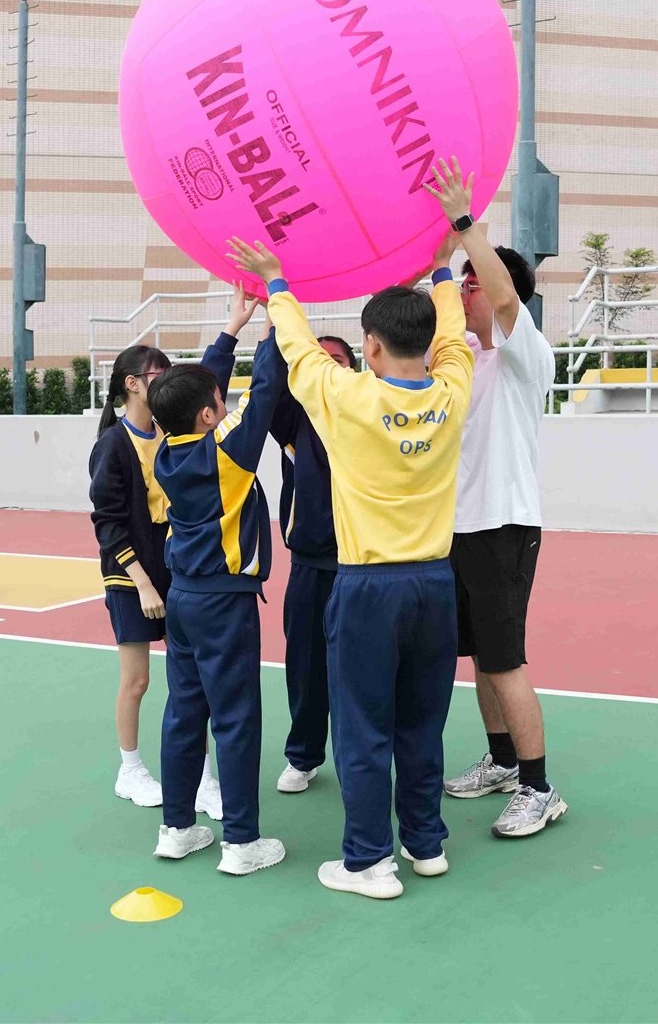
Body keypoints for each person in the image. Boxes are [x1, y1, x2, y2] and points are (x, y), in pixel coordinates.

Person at [226, 156, 476, 901]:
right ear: (427, 345)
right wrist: (442, 264)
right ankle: (424, 844)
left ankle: (369, 861)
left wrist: (276, 281)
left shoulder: (346, 400)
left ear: (368, 347)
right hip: (436, 584)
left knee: (363, 727)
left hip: (367, 587)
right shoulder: (453, 389)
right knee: (421, 723)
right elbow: (453, 335)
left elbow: (298, 350)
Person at [145, 316, 289, 876]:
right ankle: (242, 842)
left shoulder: (168, 449)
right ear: (208, 415)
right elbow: (266, 391)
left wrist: (231, 330)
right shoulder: (227, 454)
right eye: (217, 402)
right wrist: (274, 326)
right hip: (223, 603)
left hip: (183, 597)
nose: (224, 404)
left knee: (184, 714)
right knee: (235, 719)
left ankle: (176, 829)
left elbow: (195, 394)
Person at [89, 321, 247, 820]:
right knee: (137, 681)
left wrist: (234, 327)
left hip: (176, 572)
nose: (167, 378)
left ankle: (202, 779)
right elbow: (107, 522)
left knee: (191, 685)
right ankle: (130, 769)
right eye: (158, 373)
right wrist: (141, 582)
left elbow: (204, 385)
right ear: (133, 383)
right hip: (131, 578)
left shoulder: (171, 430)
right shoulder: (113, 444)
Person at [440, 218, 566, 837]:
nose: (463, 291)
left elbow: (508, 299)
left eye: (472, 284)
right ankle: (502, 761)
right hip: (457, 529)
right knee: (480, 658)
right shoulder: (459, 356)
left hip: (504, 526)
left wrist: (467, 230)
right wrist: (437, 258)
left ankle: (539, 788)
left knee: (505, 660)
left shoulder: (526, 354)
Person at [267, 334, 356, 794]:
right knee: (305, 667)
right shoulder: (294, 419)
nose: (327, 365)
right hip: (309, 564)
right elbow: (272, 380)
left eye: (336, 358)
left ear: (355, 368)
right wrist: (274, 325)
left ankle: (358, 759)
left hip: (362, 565)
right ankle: (302, 756)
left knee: (362, 670)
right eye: (319, 358)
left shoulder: (369, 411)